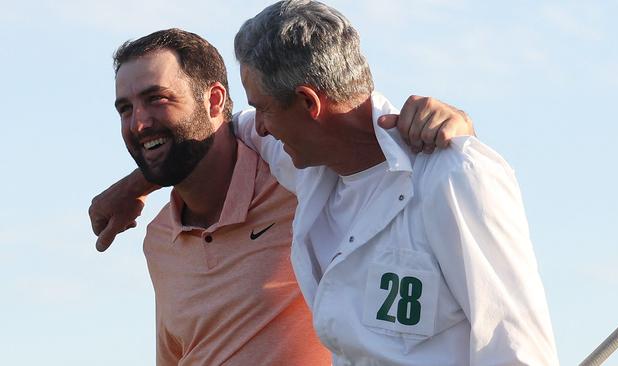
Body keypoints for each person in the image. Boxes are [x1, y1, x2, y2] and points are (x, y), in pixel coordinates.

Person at [93, 27, 472, 365]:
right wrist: (135, 183)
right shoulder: (158, 239)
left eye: (157, 98)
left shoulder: (302, 178)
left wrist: (446, 127)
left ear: (213, 101)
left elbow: (359, 136)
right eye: (125, 109)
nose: (138, 123)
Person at [230, 0, 560, 365]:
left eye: (264, 109)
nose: (260, 126)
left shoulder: (455, 175)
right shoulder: (306, 161)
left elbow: (516, 348)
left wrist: (464, 130)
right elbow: (228, 127)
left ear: (309, 102)